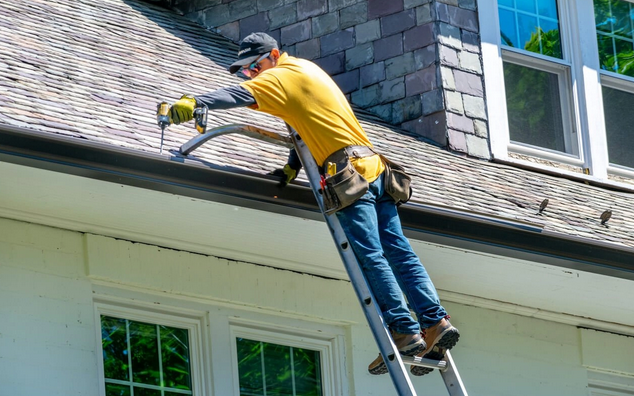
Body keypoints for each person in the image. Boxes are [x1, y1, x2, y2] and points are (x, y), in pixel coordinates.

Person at [167, 32, 459, 376]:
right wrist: (294, 163)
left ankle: (404, 331)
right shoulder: (307, 70)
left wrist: (194, 101)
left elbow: (234, 95)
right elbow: (309, 119)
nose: (251, 75)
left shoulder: (278, 75)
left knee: (370, 254)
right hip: (377, 169)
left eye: (253, 67)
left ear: (273, 55)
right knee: (399, 251)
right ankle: (434, 323)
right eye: (246, 71)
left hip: (348, 174)